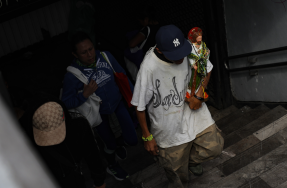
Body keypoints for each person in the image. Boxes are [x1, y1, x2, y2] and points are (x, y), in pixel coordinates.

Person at [131, 25, 224, 188]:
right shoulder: (149, 67)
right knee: (178, 175)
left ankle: (191, 162)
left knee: (214, 146)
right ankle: (183, 167)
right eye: (175, 56)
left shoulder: (188, 48)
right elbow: (139, 106)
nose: (181, 58)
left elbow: (207, 69)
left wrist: (200, 94)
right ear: (160, 51)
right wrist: (146, 136)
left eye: (182, 52)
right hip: (168, 126)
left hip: (194, 112)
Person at [61, 31, 137, 181]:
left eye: (91, 49)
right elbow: (66, 102)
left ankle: (119, 144)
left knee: (133, 139)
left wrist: (135, 98)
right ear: (75, 55)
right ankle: (112, 165)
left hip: (117, 104)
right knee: (109, 144)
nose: (90, 54)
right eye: (83, 52)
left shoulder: (105, 56)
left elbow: (122, 74)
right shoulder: (72, 75)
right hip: (98, 113)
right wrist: (84, 94)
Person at [9, 88, 107, 188]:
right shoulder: (78, 125)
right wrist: (99, 181)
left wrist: (99, 180)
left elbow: (92, 155)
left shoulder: (78, 126)